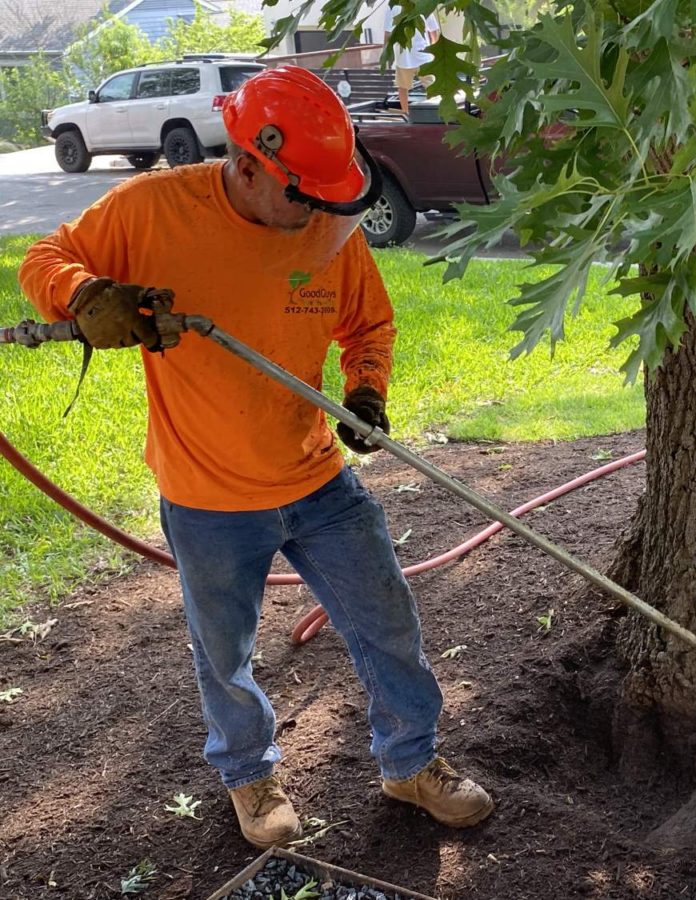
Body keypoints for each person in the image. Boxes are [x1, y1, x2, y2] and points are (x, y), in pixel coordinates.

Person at [18, 66, 493, 850]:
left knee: (386, 621)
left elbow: (369, 325)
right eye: (301, 193)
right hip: (207, 495)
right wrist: (83, 294)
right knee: (225, 655)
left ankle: (410, 762)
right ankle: (250, 776)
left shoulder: (326, 225)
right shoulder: (151, 209)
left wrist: (365, 391)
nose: (317, 210)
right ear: (246, 163)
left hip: (317, 480)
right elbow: (47, 257)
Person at [385, 6, 439, 115]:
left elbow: (387, 33)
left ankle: (405, 111)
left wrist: (385, 53)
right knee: (432, 86)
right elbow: (434, 30)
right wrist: (435, 50)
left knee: (403, 87)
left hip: (404, 56)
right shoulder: (423, 4)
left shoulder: (394, 7)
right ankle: (436, 110)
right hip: (423, 55)